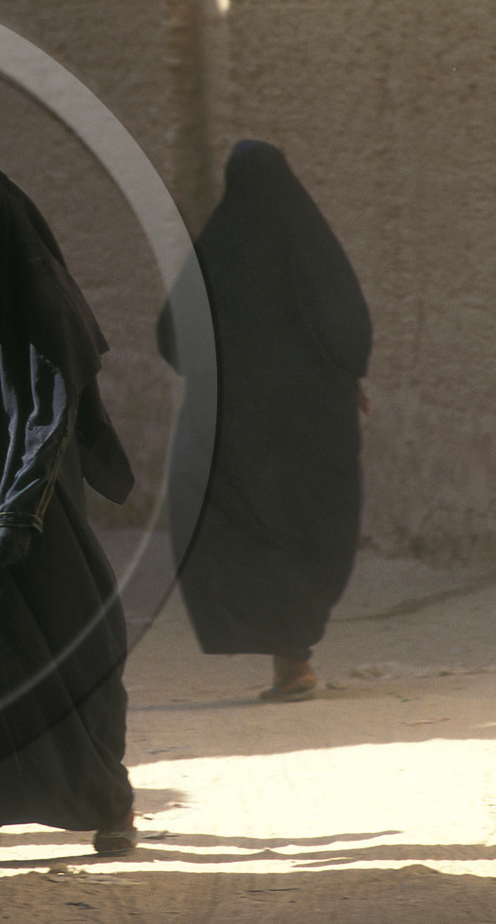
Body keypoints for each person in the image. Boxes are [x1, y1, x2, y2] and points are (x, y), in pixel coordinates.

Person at [0, 154, 139, 859]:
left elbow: (52, 406)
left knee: (80, 640)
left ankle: (106, 800)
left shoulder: (37, 287)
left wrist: (20, 508)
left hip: (38, 492)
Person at [157, 140, 372, 701]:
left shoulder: (218, 251)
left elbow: (172, 336)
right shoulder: (309, 244)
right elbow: (347, 319)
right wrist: (348, 378)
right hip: (312, 419)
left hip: (239, 425)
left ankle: (288, 661)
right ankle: (293, 658)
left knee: (249, 527)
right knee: (305, 526)